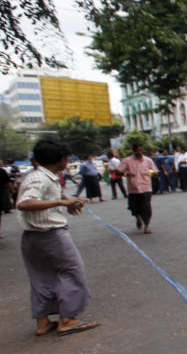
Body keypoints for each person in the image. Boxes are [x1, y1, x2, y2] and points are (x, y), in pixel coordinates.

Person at [16, 140, 100, 337]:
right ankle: (68, 319)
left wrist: (67, 204)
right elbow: (25, 203)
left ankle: (43, 321)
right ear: (61, 159)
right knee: (72, 271)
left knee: (41, 276)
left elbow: (45, 198)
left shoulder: (45, 177)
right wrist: (62, 201)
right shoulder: (39, 179)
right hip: (50, 235)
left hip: (32, 237)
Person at [118, 143, 157, 234]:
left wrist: (149, 173)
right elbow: (118, 171)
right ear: (134, 150)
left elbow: (155, 172)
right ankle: (138, 217)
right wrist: (126, 174)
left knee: (146, 206)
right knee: (133, 207)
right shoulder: (127, 161)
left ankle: (147, 225)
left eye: (140, 150)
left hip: (146, 187)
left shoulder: (148, 160)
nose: (139, 152)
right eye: (137, 150)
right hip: (133, 188)